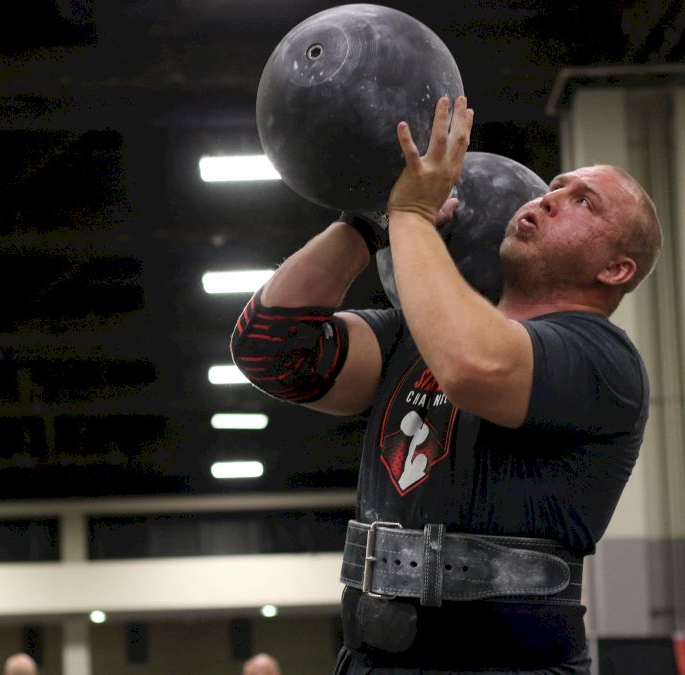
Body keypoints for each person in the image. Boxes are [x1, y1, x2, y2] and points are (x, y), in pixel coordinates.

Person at [230, 95, 660, 674]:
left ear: (616, 269)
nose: (551, 199)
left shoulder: (604, 361)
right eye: (554, 187)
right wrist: (366, 223)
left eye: (584, 202)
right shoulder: (412, 340)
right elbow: (270, 349)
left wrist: (409, 215)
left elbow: (473, 367)